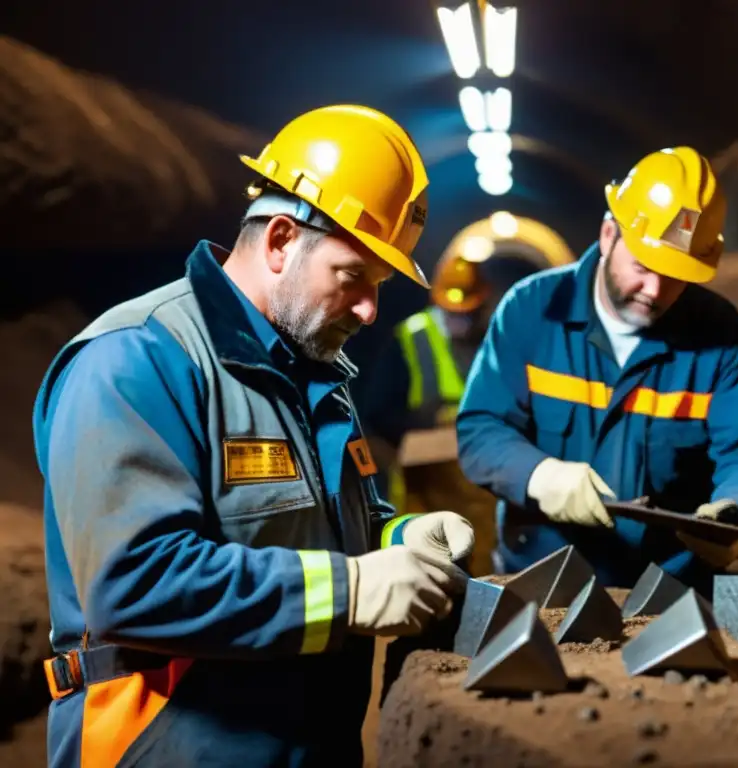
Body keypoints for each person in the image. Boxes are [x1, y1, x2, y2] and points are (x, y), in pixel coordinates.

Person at [32, 104, 475, 768]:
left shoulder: (314, 369)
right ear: (279, 240)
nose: (369, 310)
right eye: (354, 277)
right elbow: (135, 583)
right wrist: (353, 591)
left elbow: (322, 528)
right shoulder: (136, 359)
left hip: (305, 742)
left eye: (378, 285)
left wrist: (400, 536)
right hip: (167, 745)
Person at [456, 146, 738, 590]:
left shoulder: (722, 335)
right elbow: (482, 429)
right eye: (643, 265)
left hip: (670, 590)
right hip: (543, 580)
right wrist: (540, 475)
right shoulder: (532, 310)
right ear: (607, 235)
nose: (654, 290)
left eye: (675, 274)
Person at [361, 241, 554, 574]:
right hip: (427, 492)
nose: (459, 322)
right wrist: (427, 427)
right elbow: (379, 412)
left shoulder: (496, 338)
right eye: (452, 313)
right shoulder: (411, 338)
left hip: (484, 495)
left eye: (468, 313)